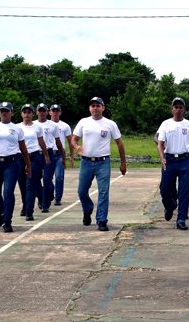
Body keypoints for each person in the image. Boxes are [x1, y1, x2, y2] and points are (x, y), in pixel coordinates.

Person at [71, 97, 127, 231]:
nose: (95, 108)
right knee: (82, 191)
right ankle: (87, 209)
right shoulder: (84, 122)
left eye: (98, 106)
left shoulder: (110, 124)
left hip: (103, 162)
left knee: (103, 191)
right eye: (93, 106)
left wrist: (123, 162)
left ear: (103, 108)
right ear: (89, 108)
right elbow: (74, 140)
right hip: (86, 162)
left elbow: (119, 143)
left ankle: (102, 220)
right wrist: (77, 146)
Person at [0, 102, 31, 233]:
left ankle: (7, 221)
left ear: (12, 113)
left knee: (8, 192)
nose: (4, 113)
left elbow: (23, 147)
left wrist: (28, 164)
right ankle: (1, 211)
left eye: (7, 111)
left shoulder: (17, 128)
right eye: (2, 110)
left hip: (12, 162)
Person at [157, 97, 189, 230]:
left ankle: (181, 218)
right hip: (169, 159)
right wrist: (162, 158)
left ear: (184, 109)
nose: (178, 110)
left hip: (184, 160)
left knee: (184, 191)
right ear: (172, 109)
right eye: (175, 107)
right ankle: (170, 206)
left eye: (180, 107)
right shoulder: (166, 124)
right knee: (165, 190)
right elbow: (160, 144)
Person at [16, 104, 51, 221]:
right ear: (21, 114)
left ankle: (29, 211)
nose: (27, 114)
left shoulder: (37, 127)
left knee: (31, 184)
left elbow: (41, 143)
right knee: (21, 183)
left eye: (29, 112)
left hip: (34, 157)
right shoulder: (17, 127)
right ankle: (25, 204)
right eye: (24, 112)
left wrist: (46, 155)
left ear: (32, 114)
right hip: (20, 157)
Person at [36, 103, 65, 212]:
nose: (42, 113)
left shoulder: (53, 125)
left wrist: (62, 156)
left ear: (47, 112)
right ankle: (41, 196)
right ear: (37, 112)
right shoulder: (33, 124)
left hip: (49, 153)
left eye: (44, 111)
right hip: (36, 154)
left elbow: (58, 141)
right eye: (40, 111)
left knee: (47, 178)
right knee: (35, 179)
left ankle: (45, 204)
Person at [49, 104, 74, 206]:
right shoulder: (46, 125)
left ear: (60, 113)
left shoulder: (65, 126)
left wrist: (71, 156)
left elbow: (70, 141)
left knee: (59, 176)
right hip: (49, 153)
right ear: (49, 112)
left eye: (57, 111)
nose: (55, 113)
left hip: (60, 154)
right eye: (53, 111)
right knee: (47, 177)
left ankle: (58, 197)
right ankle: (48, 193)